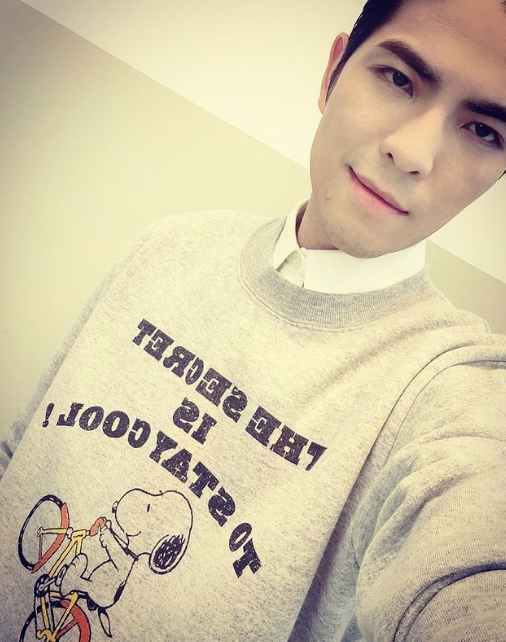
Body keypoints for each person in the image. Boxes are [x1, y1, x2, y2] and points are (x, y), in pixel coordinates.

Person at [1, 0, 505, 639]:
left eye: (484, 131)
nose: (413, 153)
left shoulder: (452, 395)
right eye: (398, 78)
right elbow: (21, 455)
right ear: (331, 73)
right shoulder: (169, 246)